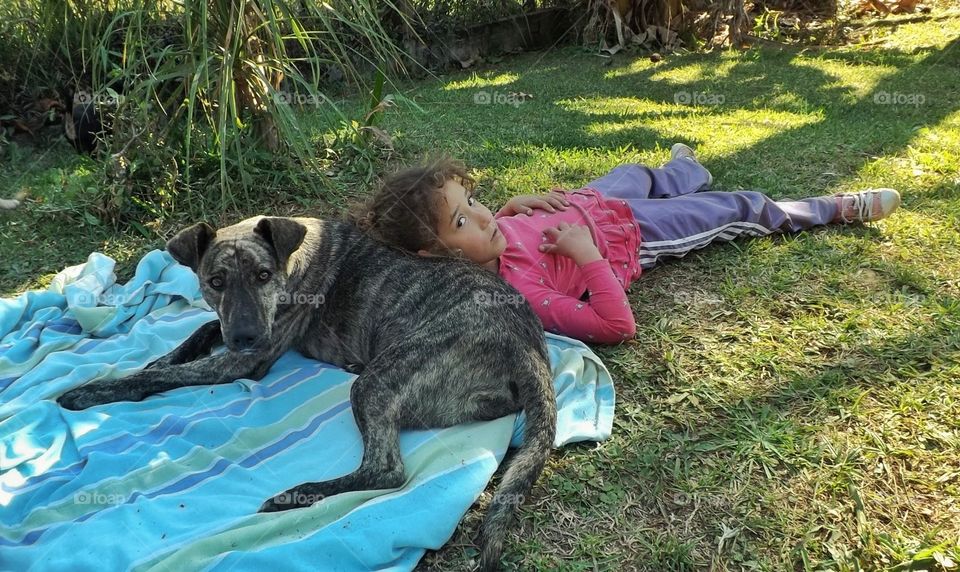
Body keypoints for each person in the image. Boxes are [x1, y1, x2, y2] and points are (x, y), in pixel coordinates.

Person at [353, 145, 901, 344]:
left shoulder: (488, 230)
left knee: (635, 172)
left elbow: (493, 223)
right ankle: (831, 208)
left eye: (471, 200)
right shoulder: (519, 294)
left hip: (591, 202)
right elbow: (617, 328)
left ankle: (683, 169)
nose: (479, 214)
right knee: (736, 207)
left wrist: (510, 206)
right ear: (434, 253)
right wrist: (586, 257)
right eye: (461, 220)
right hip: (631, 238)